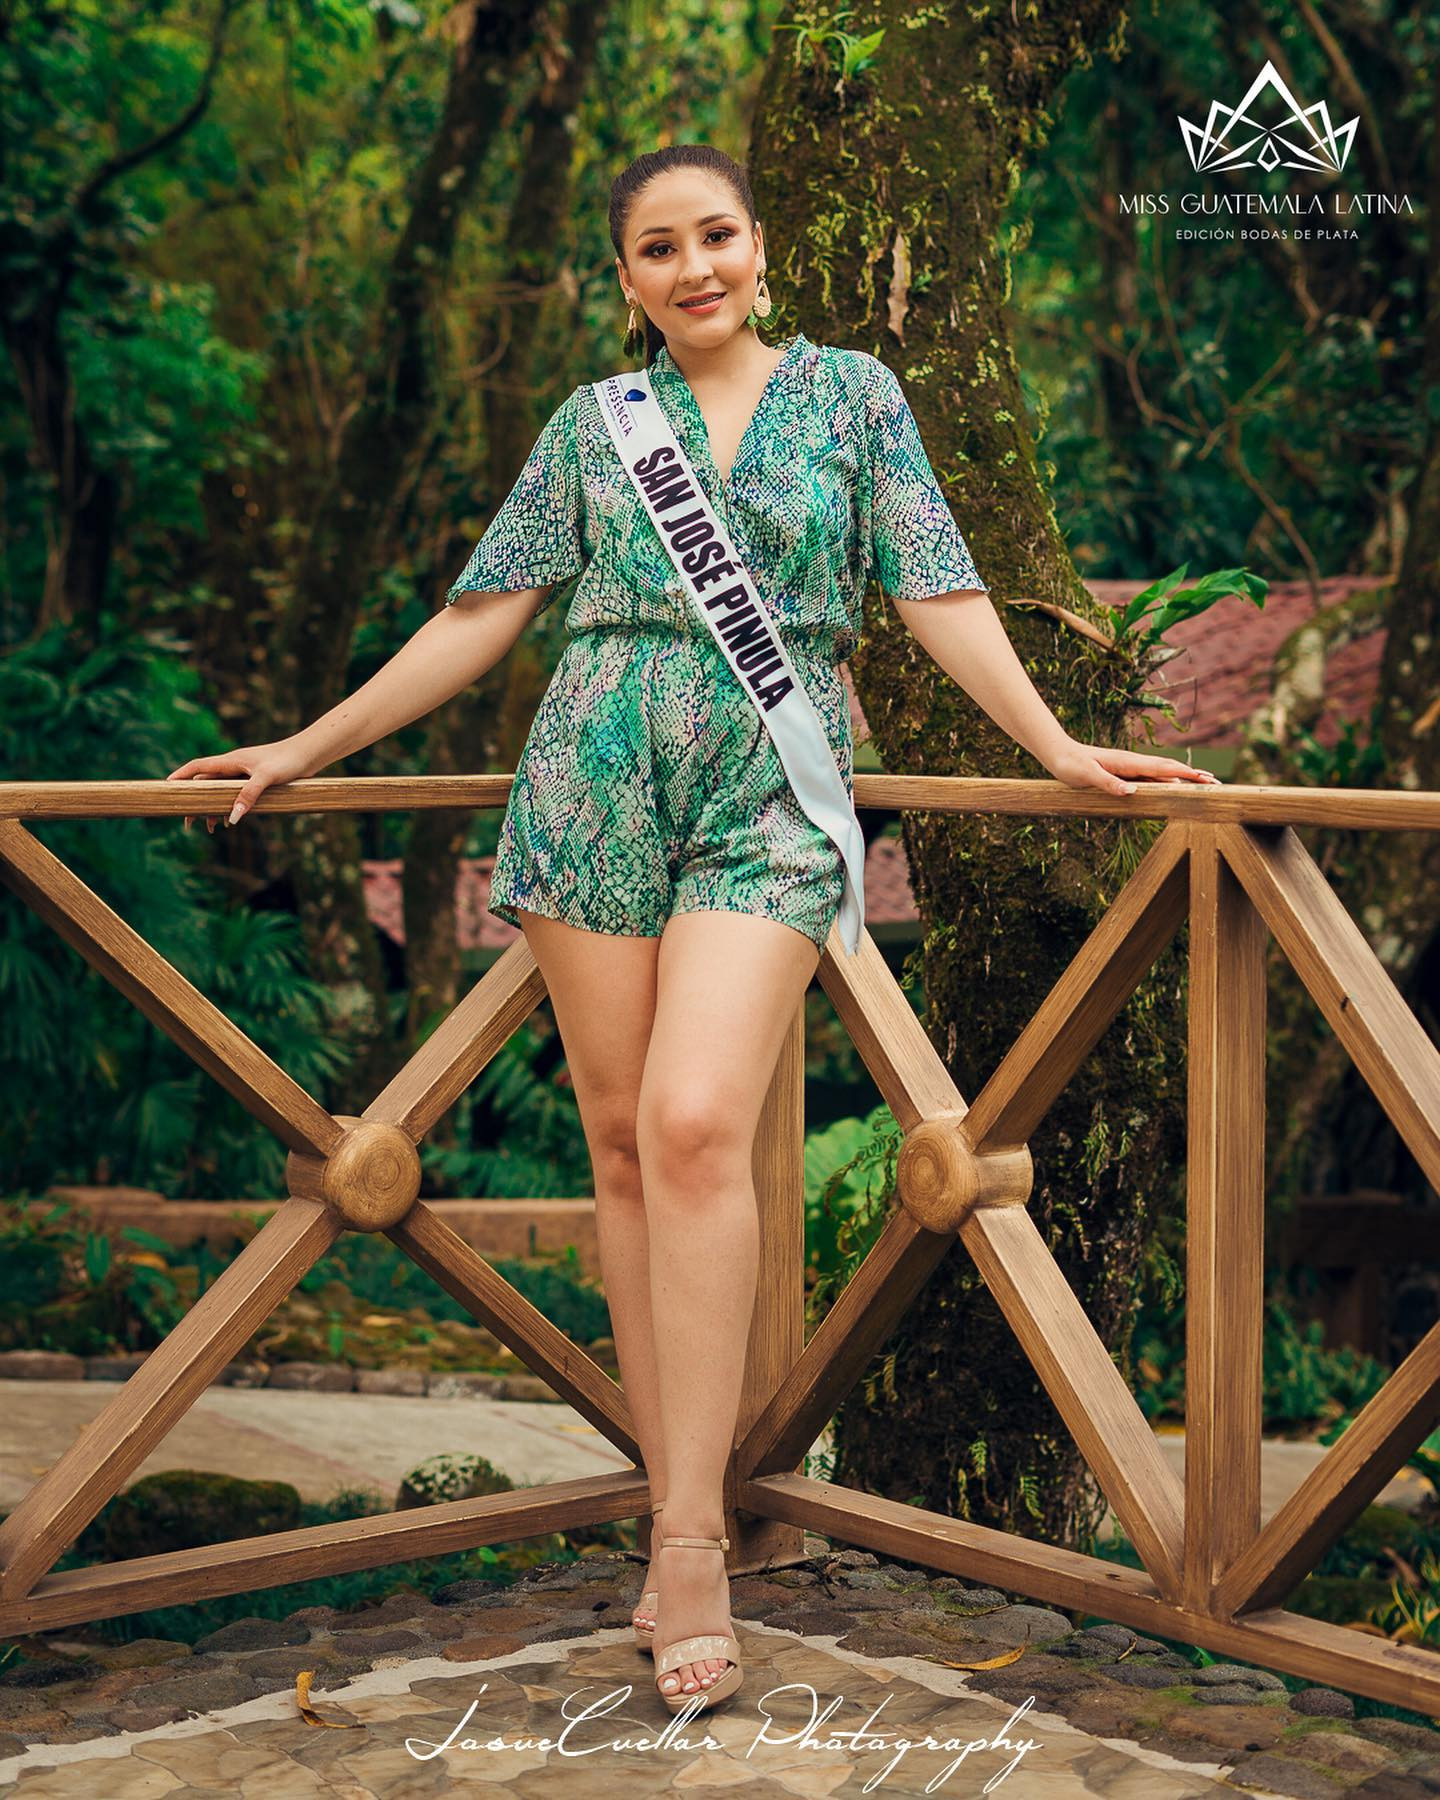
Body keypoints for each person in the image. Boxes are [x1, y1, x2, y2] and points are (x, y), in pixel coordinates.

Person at [167, 144, 1221, 1715]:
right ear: (627, 280)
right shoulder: (595, 427)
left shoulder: (855, 396)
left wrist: (1057, 750)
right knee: (618, 1143)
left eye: (716, 235)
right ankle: (680, 1509)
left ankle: (689, 1545)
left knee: (697, 1118)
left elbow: (935, 587)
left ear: (761, 243)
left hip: (772, 800)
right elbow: (483, 614)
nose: (695, 268)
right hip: (595, 773)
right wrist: (303, 748)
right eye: (659, 249)